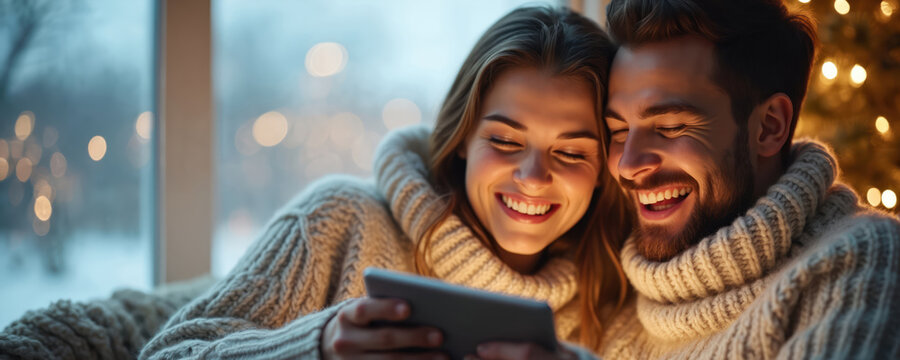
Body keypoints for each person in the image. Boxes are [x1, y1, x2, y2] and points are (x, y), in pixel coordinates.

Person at [136, 6, 631, 360]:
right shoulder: (338, 221)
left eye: (569, 152)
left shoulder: (606, 299)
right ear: (461, 138)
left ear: (604, 168)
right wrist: (315, 347)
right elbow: (168, 353)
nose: (532, 177)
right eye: (504, 140)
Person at [590, 0, 900, 358]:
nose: (628, 165)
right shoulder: (608, 300)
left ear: (769, 126)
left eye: (671, 127)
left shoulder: (860, 264)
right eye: (617, 130)